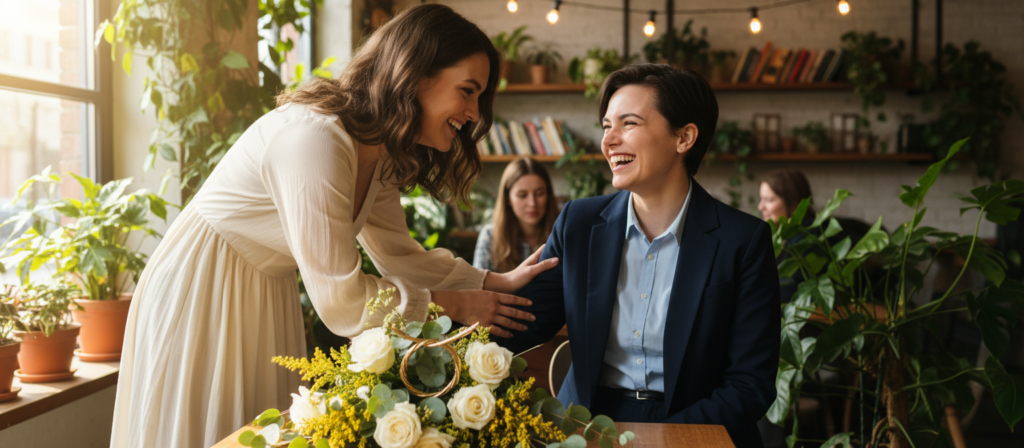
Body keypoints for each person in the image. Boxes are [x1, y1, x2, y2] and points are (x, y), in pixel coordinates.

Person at [110, 5, 557, 447]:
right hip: (203, 287)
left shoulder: (375, 151)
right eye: (468, 91)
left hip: (264, 289)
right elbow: (343, 302)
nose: (475, 113)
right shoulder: (315, 139)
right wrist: (454, 304)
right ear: (416, 76)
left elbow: (399, 256)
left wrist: (492, 281)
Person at [493, 64, 781, 448]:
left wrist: (663, 439)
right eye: (606, 126)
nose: (609, 140)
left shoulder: (742, 240)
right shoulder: (578, 223)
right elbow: (518, 323)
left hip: (697, 425)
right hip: (589, 425)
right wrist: (450, 304)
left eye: (628, 124)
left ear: (684, 137)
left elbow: (750, 385)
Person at [473, 158, 558, 273]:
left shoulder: (561, 233)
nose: (532, 203)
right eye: (522, 195)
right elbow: (478, 287)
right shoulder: (490, 236)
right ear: (508, 198)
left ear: (548, 194)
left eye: (539, 194)